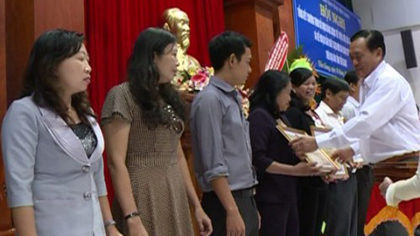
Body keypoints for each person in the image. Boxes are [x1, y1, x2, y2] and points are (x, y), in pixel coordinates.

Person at [1, 29, 121, 236]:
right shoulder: (25, 112)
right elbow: (20, 187)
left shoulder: (86, 113)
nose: (88, 68)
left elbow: (96, 176)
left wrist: (110, 226)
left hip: (94, 229)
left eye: (88, 60)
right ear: (52, 65)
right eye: (80, 59)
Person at [290, 30, 420, 212]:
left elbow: (366, 122)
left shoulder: (389, 81)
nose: (355, 63)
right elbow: (377, 129)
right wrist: (352, 149)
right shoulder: (369, 83)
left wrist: (318, 142)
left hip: (399, 166)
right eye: (351, 58)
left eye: (358, 57)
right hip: (383, 167)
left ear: (378, 53)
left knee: (394, 228)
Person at [101, 27, 212, 236]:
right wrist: (132, 218)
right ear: (153, 56)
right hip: (142, 192)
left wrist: (196, 205)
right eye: (172, 54)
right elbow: (116, 162)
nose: (177, 62)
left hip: (174, 190)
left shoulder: (168, 97)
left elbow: (177, 154)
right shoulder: (122, 95)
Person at [190, 31, 259, 236]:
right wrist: (232, 210)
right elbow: (213, 164)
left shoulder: (233, 98)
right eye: (246, 62)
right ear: (231, 60)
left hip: (244, 198)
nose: (249, 69)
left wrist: (250, 208)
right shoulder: (210, 99)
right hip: (225, 202)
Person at [248, 70, 322, 236]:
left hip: (287, 193)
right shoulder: (259, 117)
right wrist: (294, 170)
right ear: (274, 92)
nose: (289, 99)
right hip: (271, 196)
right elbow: (258, 159)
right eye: (287, 93)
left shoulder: (280, 117)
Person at [283, 58, 327, 236]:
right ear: (292, 87)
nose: (310, 88)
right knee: (306, 227)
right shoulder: (292, 113)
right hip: (303, 178)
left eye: (313, 84)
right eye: (305, 84)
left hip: (317, 176)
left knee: (318, 226)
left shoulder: (307, 111)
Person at [315, 78, 358, 236]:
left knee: (350, 224)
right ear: (328, 94)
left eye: (347, 99)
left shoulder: (339, 116)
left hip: (349, 175)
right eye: (342, 98)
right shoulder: (319, 117)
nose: (344, 103)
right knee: (337, 225)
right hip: (334, 178)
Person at [343, 70, 374, 236]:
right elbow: (346, 137)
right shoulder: (347, 107)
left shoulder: (362, 107)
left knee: (364, 210)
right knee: (358, 212)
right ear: (352, 86)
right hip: (356, 165)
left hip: (365, 164)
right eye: (363, 85)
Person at [163, 8, 201, 84]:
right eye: (182, 23)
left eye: (188, 24)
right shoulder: (163, 63)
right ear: (168, 28)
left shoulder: (193, 62)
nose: (187, 29)